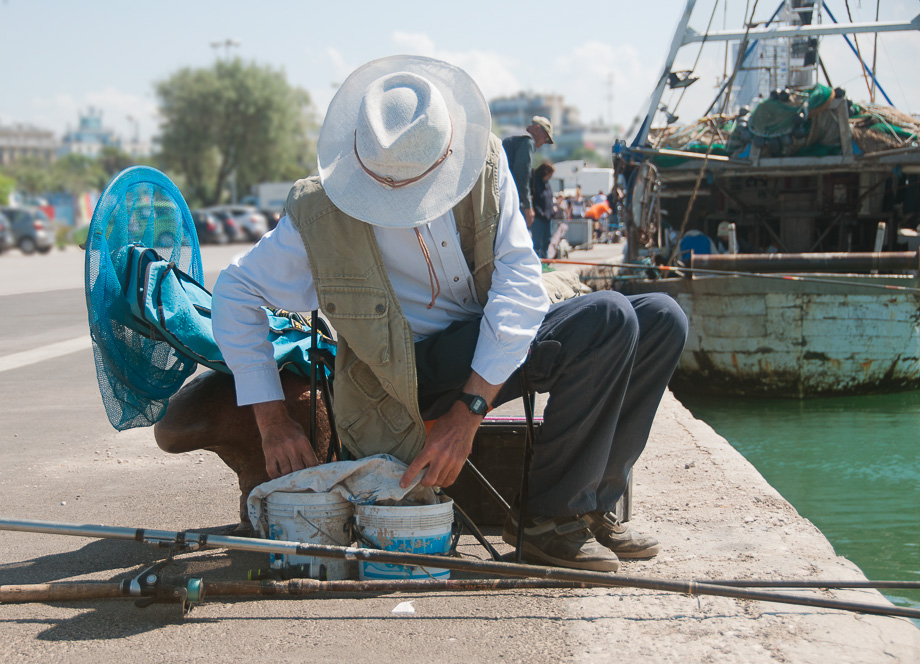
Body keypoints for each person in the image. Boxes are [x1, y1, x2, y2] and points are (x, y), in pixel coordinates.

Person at [211, 55, 688, 572]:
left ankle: (591, 502)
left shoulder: (483, 163)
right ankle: (546, 523)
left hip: (481, 348)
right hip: (407, 374)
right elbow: (235, 292)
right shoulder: (320, 211)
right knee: (609, 318)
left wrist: (470, 412)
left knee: (663, 317)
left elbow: (518, 280)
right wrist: (270, 417)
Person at [502, 116, 553, 231]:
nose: (545, 142)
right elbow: (522, 176)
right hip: (508, 197)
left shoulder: (515, 137)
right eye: (546, 137)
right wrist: (527, 206)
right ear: (536, 128)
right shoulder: (527, 142)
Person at [530, 162, 556, 258]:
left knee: (547, 240)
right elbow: (534, 201)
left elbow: (549, 198)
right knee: (537, 242)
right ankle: (537, 261)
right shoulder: (535, 183)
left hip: (548, 218)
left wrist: (552, 211)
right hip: (539, 218)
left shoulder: (547, 184)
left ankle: (545, 261)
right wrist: (541, 213)